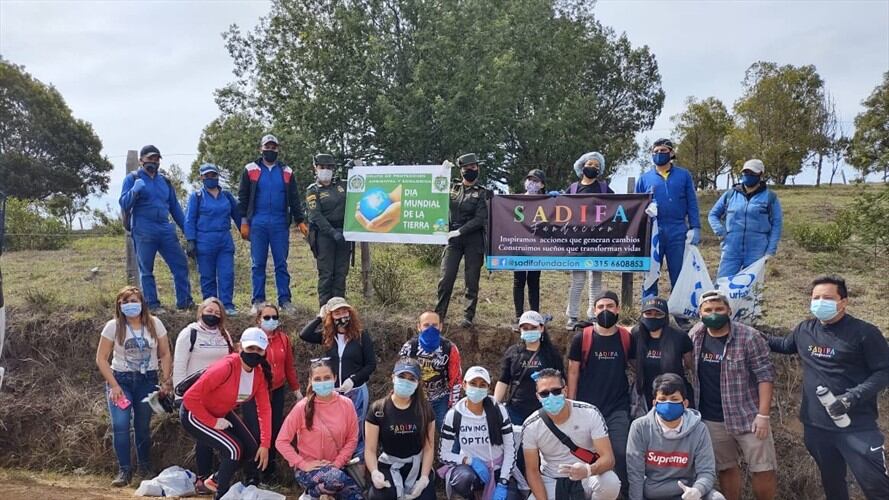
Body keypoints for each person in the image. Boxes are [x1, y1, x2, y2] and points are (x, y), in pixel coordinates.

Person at [765, 275, 889, 499]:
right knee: (832, 485)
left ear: (844, 301)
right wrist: (744, 332)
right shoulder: (805, 330)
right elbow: (783, 345)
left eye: (828, 298)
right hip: (816, 428)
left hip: (856, 427)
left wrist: (851, 397)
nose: (820, 302)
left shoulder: (864, 333)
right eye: (816, 297)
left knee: (877, 487)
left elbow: (884, 371)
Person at [689, 290, 776, 500]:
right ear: (700, 313)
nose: (713, 314)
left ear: (729, 310)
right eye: (708, 310)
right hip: (712, 418)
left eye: (719, 309)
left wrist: (763, 415)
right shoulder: (695, 336)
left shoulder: (749, 336)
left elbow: (765, 376)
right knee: (726, 468)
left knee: (763, 468)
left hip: (748, 416)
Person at [180, 327, 274, 499]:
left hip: (221, 411)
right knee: (234, 450)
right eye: (250, 348)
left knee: (252, 448)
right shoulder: (226, 367)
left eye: (259, 349)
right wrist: (212, 422)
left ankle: (216, 480)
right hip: (195, 412)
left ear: (264, 351)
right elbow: (189, 397)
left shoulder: (259, 375)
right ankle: (220, 493)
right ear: (240, 348)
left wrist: (265, 444)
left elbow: (265, 409)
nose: (254, 353)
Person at [95, 285, 173, 486]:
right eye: (126, 302)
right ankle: (124, 471)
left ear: (142, 303)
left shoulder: (155, 324)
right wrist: (113, 385)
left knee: (142, 426)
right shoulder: (113, 326)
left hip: (147, 381)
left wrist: (166, 380)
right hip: (121, 380)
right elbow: (101, 358)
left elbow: (164, 353)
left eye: (134, 301)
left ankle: (145, 467)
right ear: (119, 306)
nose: (131, 305)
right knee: (120, 425)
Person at [566, 290, 634, 493]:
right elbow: (573, 372)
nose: (605, 310)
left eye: (610, 306)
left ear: (618, 309)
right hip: (588, 409)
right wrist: (571, 404)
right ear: (594, 310)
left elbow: (635, 366)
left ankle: (620, 493)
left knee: (620, 453)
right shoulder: (583, 338)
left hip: (617, 407)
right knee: (585, 453)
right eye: (601, 307)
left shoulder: (626, 337)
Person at [522, 368, 620, 500]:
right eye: (544, 393)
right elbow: (532, 470)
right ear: (538, 397)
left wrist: (588, 470)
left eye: (556, 391)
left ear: (565, 391)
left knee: (610, 482)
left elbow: (608, 459)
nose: (551, 397)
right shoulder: (531, 425)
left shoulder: (590, 413)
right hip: (552, 480)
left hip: (587, 475)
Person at [238, 134, 308, 313]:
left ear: (278, 149)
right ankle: (258, 300)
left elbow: (294, 198)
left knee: (281, 263)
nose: (270, 150)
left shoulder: (287, 172)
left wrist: (300, 220)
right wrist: (244, 222)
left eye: (273, 147)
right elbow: (243, 197)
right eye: (267, 147)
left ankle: (285, 300)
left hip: (279, 223)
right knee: (258, 263)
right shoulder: (250, 169)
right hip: (258, 223)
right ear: (260, 149)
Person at [626, 373, 725, 500]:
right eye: (662, 399)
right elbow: (635, 474)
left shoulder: (699, 429)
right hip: (653, 494)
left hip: (688, 493)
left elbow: (706, 471)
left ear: (685, 403)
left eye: (674, 399)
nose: (668, 404)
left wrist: (697, 490)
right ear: (654, 403)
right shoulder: (640, 427)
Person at [172, 297, 235, 494]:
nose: (213, 315)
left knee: (220, 437)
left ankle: (218, 477)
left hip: (220, 396)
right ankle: (202, 477)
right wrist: (178, 395)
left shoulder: (224, 334)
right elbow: (180, 364)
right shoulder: (189, 333)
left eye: (217, 313)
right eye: (209, 311)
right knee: (204, 438)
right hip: (195, 394)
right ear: (201, 312)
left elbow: (232, 360)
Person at [119, 145, 193, 312]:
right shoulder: (132, 179)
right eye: (149, 158)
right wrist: (134, 191)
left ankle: (185, 302)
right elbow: (124, 203)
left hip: (165, 229)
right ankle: (152, 305)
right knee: (146, 269)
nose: (153, 161)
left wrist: (189, 234)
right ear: (141, 160)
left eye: (156, 158)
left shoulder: (164, 181)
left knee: (180, 265)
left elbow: (175, 209)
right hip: (143, 230)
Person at [276, 358, 362, 500]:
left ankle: (322, 494)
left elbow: (352, 439)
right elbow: (281, 441)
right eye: (318, 379)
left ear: (334, 378)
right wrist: (302, 463)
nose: (323, 382)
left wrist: (336, 464)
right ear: (311, 381)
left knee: (355, 496)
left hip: (337, 469)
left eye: (327, 378)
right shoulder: (302, 408)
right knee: (335, 479)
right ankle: (313, 494)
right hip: (309, 471)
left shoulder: (347, 405)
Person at [300, 296, 376, 456]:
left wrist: (353, 379)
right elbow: (304, 334)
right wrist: (319, 318)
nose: (342, 316)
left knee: (356, 427)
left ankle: (358, 462)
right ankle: (337, 460)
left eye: (344, 311)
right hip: (332, 392)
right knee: (335, 428)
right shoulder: (327, 336)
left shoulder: (361, 336)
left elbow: (371, 364)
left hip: (356, 391)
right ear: (330, 316)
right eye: (337, 313)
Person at [635, 138, 701, 299]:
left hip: (677, 229)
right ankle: (649, 309)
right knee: (651, 271)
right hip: (653, 231)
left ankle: (679, 311)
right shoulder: (644, 178)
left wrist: (695, 226)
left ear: (671, 153)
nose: (659, 154)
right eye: (655, 151)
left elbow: (691, 201)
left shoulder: (683, 175)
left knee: (678, 271)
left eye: (663, 151)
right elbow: (636, 206)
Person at [241, 303, 301, 480]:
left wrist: (296, 390)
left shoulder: (283, 339)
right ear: (258, 319)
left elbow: (289, 366)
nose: (271, 320)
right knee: (254, 432)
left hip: (277, 391)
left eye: (274, 317)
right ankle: (251, 473)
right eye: (266, 317)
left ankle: (269, 472)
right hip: (254, 392)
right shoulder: (253, 339)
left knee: (274, 431)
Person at [365, 358, 437, 500]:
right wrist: (374, 472)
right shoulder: (378, 409)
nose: (406, 382)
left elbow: (429, 447)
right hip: (389, 464)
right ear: (393, 377)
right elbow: (370, 449)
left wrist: (423, 478)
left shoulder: (425, 410)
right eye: (402, 377)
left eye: (411, 379)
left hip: (416, 464)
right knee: (379, 496)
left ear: (417, 384)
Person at [439, 366, 514, 500]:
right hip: (471, 470)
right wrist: (470, 461)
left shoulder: (498, 410)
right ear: (464, 385)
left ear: (488, 388)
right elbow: (443, 454)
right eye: (473, 384)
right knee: (464, 479)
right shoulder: (454, 415)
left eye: (482, 385)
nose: (477, 389)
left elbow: (510, 449)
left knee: (511, 496)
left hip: (498, 468)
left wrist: (503, 481)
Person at [436, 153, 488, 328]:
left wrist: (460, 231)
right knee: (446, 278)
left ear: (478, 169)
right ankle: (439, 315)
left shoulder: (483, 193)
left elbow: (481, 218)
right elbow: (434, 196)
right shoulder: (452, 189)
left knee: (471, 280)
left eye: (473, 167)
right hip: (453, 240)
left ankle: (468, 316)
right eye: (467, 168)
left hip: (473, 239)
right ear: (461, 171)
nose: (470, 171)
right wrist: (440, 174)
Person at [707, 159, 783, 278]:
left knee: (751, 289)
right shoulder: (730, 194)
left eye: (752, 173)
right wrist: (721, 232)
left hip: (757, 251)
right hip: (731, 249)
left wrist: (770, 251)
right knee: (723, 285)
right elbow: (713, 215)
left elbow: (776, 224)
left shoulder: (770, 197)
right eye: (746, 173)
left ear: (761, 175)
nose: (748, 176)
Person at [563, 152, 614, 329]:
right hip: (577, 241)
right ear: (582, 166)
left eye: (596, 166)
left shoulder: (604, 188)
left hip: (598, 241)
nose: (592, 167)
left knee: (596, 281)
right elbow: (561, 209)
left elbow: (619, 205)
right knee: (577, 281)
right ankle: (573, 316)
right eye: (589, 164)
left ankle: (594, 314)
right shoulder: (573, 188)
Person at [184, 163, 241, 316]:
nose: (210, 178)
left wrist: (247, 231)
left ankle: (227, 305)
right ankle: (210, 307)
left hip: (224, 239)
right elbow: (190, 219)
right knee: (207, 276)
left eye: (213, 175)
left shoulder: (227, 196)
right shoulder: (196, 197)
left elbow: (238, 216)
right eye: (207, 176)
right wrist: (191, 240)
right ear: (202, 177)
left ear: (217, 176)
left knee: (227, 274)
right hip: (204, 240)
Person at [494, 310, 565, 426]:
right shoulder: (513, 353)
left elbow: (561, 381)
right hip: (515, 412)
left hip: (544, 411)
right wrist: (495, 405)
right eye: (525, 328)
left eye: (533, 327)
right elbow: (503, 381)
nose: (529, 331)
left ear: (541, 328)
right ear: (520, 330)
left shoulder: (552, 354)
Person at [398, 311, 462, 431]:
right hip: (415, 397)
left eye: (435, 325)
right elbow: (400, 376)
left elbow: (456, 379)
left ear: (441, 327)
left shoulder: (450, 348)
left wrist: (453, 407)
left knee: (447, 430)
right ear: (419, 327)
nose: (430, 329)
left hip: (441, 397)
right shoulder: (409, 347)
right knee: (413, 431)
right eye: (426, 325)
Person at [631, 297, 694, 414]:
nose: (652, 317)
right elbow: (632, 361)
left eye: (658, 314)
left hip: (673, 395)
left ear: (665, 316)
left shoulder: (679, 336)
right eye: (648, 313)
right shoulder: (636, 334)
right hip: (644, 395)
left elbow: (689, 363)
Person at [306, 153, 350, 306]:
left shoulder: (342, 185)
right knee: (326, 274)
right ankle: (324, 310)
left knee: (341, 273)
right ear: (315, 168)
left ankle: (340, 306)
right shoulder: (313, 190)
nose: (325, 170)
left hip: (344, 233)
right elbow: (315, 215)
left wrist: (356, 171)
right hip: (324, 235)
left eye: (329, 167)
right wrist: (332, 232)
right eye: (322, 167)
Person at [512, 169, 546, 329]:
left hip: (537, 246)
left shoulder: (546, 201)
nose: (532, 183)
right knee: (519, 281)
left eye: (536, 180)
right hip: (519, 244)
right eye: (530, 179)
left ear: (542, 184)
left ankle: (534, 316)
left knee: (534, 281)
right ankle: (518, 315)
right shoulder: (516, 199)